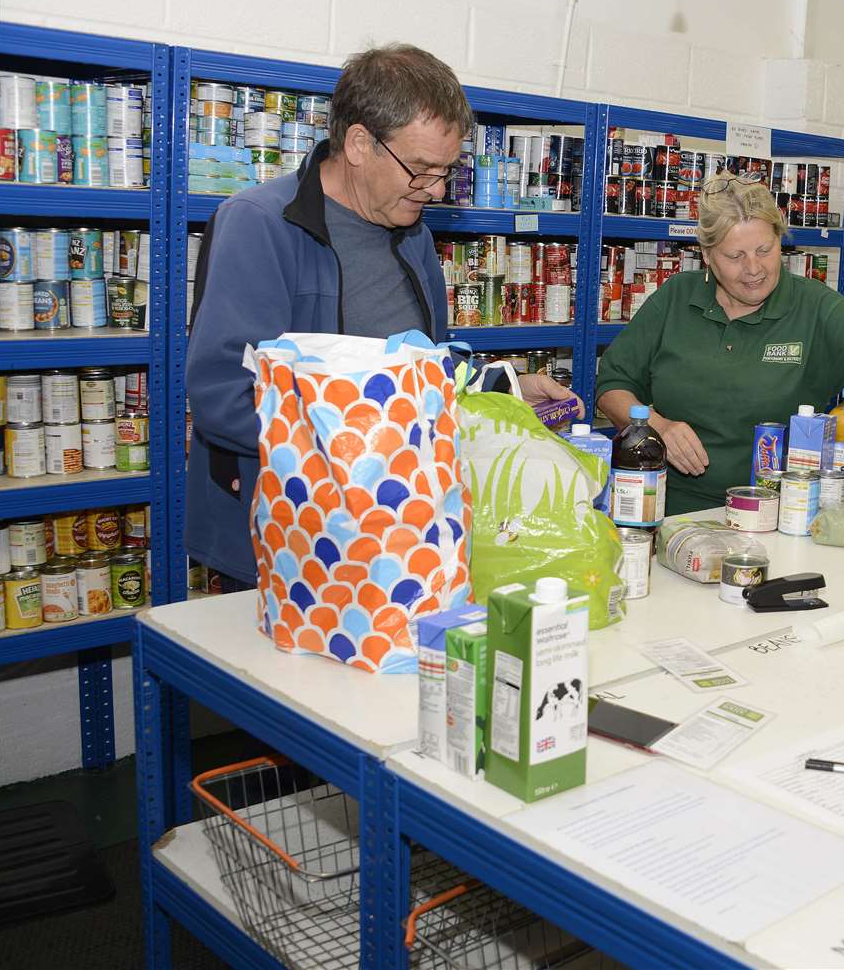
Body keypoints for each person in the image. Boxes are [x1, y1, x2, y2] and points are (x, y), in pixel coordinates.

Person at [186, 43, 577, 592]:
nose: (436, 190)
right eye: (420, 169)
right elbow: (222, 394)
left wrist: (502, 388)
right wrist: (370, 446)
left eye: (446, 171)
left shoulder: (411, 233)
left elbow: (423, 370)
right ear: (359, 143)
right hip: (285, 544)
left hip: (394, 536)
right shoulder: (259, 225)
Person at [595, 171, 844, 516]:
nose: (754, 269)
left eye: (765, 250)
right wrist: (657, 426)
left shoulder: (815, 307)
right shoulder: (676, 298)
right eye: (735, 256)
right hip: (668, 509)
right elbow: (612, 385)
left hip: (781, 513)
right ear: (706, 254)